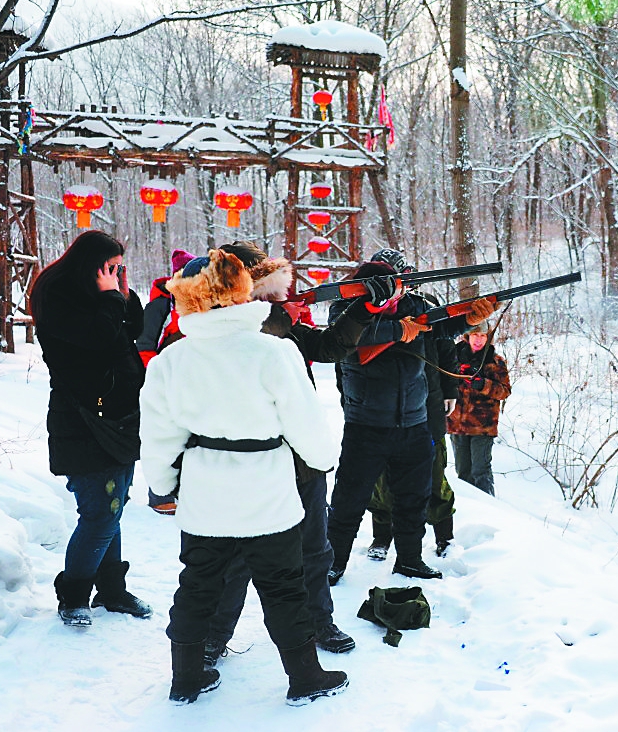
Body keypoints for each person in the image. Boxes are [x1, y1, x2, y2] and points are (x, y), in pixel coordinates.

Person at [139, 249, 347, 706]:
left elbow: (158, 438)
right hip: (267, 493)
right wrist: (321, 459)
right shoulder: (274, 351)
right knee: (284, 587)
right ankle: (305, 677)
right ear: (240, 291)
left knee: (196, 586)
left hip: (205, 493)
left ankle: (186, 679)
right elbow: (306, 426)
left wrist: (164, 485)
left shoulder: (170, 361)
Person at [201, 241, 393, 663]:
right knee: (238, 557)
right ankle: (213, 638)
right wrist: (277, 318)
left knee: (314, 547)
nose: (282, 299)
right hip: (253, 461)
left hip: (302, 457)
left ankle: (319, 622)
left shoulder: (284, 325)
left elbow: (328, 349)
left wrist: (365, 308)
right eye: (269, 293)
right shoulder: (220, 324)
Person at [325, 248, 496, 585]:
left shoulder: (415, 306)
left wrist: (472, 317)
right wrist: (395, 329)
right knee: (350, 499)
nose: (398, 287)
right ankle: (334, 562)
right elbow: (346, 337)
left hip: (415, 420)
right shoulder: (344, 308)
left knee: (414, 498)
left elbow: (442, 328)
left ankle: (410, 560)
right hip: (366, 423)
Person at [29, 229, 152, 627]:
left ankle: (112, 591)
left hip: (115, 417)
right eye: (111, 269)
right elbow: (99, 340)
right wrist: (111, 297)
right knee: (100, 513)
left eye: (120, 269)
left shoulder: (102, 298)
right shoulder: (59, 296)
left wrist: (125, 295)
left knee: (110, 508)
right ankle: (75, 595)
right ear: (91, 268)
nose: (116, 276)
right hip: (83, 419)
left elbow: (131, 330)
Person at [366, 303, 459, 561]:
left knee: (435, 475)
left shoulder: (425, 304)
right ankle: (382, 538)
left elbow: (446, 345)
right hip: (380, 411)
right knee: (382, 480)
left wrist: (450, 390)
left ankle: (444, 537)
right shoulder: (367, 310)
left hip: (428, 408)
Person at [137, 247, 195, 515]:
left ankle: (187, 490)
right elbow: (145, 343)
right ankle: (159, 494)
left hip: (192, 375)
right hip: (165, 375)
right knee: (165, 434)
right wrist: (157, 373)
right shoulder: (160, 305)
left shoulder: (197, 303)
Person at [447, 324, 511, 496]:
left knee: (480, 472)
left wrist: (483, 384)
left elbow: (504, 391)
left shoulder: (495, 361)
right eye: (475, 334)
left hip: (482, 426)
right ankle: (469, 510)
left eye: (483, 336)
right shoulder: (452, 355)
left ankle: (489, 508)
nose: (478, 340)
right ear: (467, 336)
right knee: (462, 473)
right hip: (457, 424)